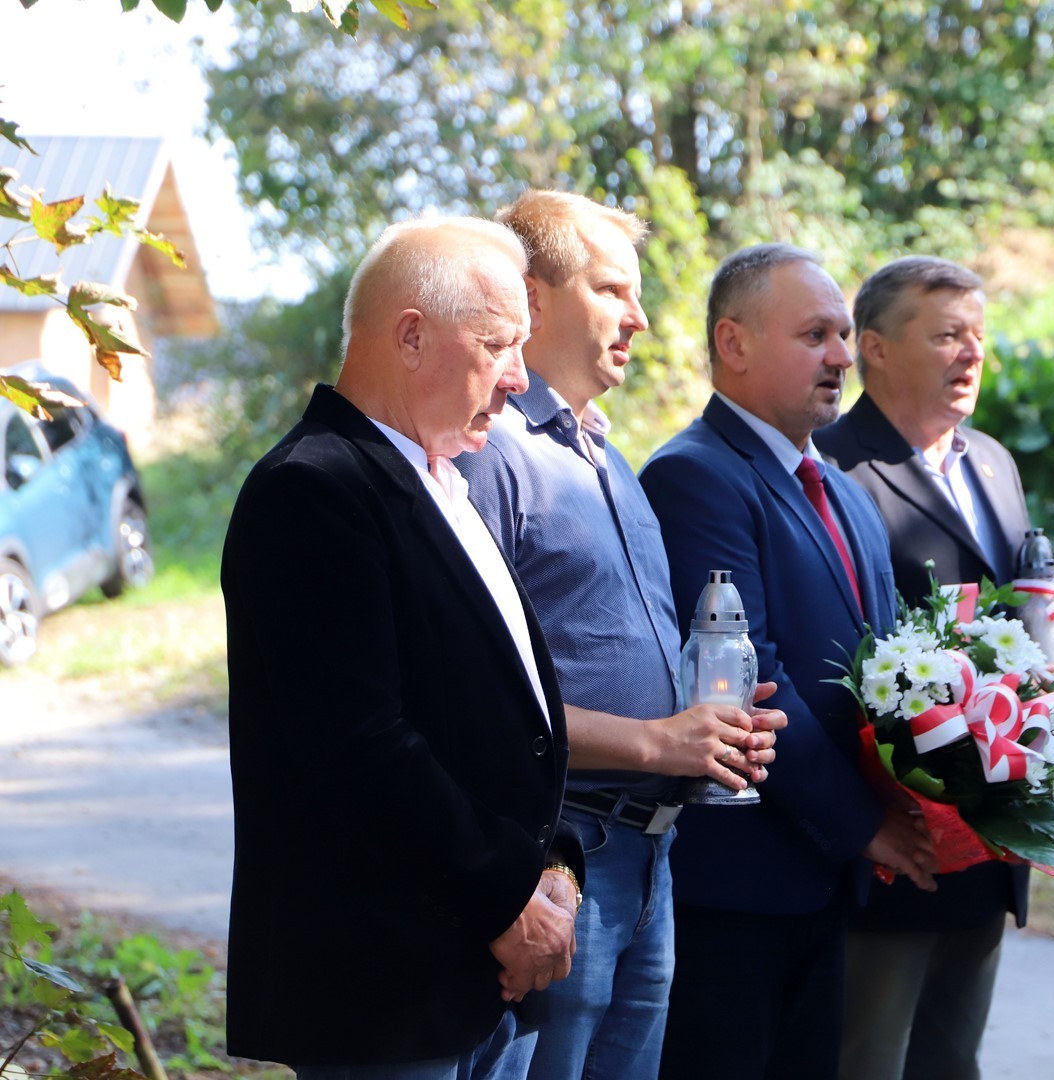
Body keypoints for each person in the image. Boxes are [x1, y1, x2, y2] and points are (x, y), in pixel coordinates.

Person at [221, 217, 584, 1079]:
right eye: (498, 344)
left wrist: (554, 874)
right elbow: (359, 748)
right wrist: (509, 896)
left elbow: (501, 718)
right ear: (411, 335)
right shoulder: (312, 488)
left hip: (479, 977)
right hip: (387, 990)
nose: (520, 377)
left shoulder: (442, 482)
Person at [455, 190, 785, 1080]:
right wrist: (657, 740)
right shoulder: (489, 453)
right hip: (558, 855)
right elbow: (474, 700)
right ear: (531, 296)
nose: (639, 317)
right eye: (611, 290)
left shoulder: (607, 454)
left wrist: (706, 725)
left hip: (649, 854)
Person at [639, 244, 937, 1080]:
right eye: (815, 335)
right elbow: (754, 679)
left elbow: (889, 670)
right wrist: (866, 826)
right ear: (732, 343)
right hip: (737, 890)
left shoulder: (843, 490)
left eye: (843, 335)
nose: (842, 356)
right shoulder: (693, 477)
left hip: (826, 881)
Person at [819, 254, 1054, 1080]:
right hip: (898, 835)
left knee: (954, 1061)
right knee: (869, 1061)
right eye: (948, 334)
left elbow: (1022, 608)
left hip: (993, 834)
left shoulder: (992, 460)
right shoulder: (831, 465)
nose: (972, 353)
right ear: (876, 348)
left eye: (978, 335)